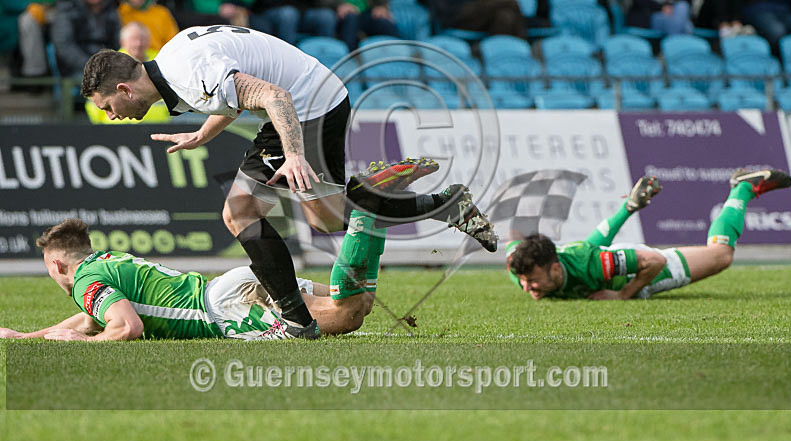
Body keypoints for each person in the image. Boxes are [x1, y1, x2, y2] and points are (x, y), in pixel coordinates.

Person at [79, 26, 497, 339]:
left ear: (122, 88)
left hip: (309, 107)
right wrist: (201, 135)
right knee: (310, 217)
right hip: (301, 104)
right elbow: (233, 96)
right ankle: (445, 206)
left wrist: (295, 154)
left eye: (108, 106)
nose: (112, 114)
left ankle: (298, 321)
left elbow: (274, 96)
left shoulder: (188, 74)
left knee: (268, 215)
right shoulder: (171, 64)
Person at [0, 212, 385, 341]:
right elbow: (93, 318)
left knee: (347, 314)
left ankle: (363, 218)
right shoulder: (106, 262)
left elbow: (125, 326)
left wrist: (83, 344)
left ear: (56, 266)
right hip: (227, 287)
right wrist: (29, 336)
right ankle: (374, 221)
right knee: (359, 302)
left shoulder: (86, 282)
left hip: (226, 308)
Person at [506, 169, 791, 300]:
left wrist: (623, 295)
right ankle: (629, 206)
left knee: (721, 256)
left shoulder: (594, 264)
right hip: (591, 256)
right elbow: (514, 236)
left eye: (532, 282)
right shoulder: (520, 268)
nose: (528, 288)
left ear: (555, 268)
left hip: (638, 274)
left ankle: (742, 188)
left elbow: (652, 260)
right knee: (588, 251)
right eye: (524, 281)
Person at [85, 22, 171, 124]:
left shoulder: (160, 60)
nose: (138, 43)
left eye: (142, 39)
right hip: (117, 130)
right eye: (134, 39)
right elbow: (95, 100)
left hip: (159, 126)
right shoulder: (108, 66)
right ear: (122, 41)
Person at [50, 0, 120, 77]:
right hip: (77, 68)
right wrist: (91, 65)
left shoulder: (111, 8)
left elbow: (117, 42)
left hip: (108, 64)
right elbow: (64, 46)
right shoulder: (67, 9)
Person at [627, 0, 694, 36]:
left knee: (682, 5)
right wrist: (661, 8)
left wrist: (671, 7)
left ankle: (673, 48)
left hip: (673, 16)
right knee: (686, 26)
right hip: (649, 16)